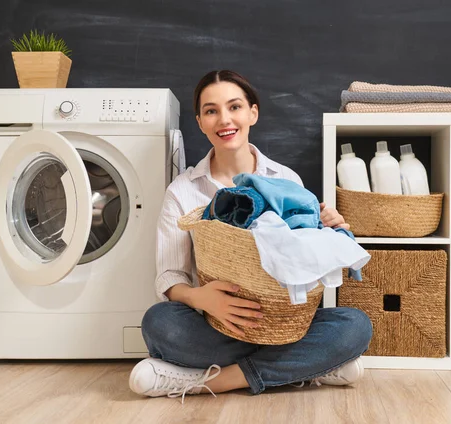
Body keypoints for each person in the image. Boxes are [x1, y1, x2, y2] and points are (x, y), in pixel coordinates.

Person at [128, 70, 373, 400]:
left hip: (284, 325)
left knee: (355, 326)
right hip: (217, 327)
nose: (224, 119)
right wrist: (199, 298)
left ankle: (208, 381)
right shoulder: (183, 191)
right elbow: (169, 276)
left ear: (252, 113)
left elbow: (304, 259)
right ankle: (306, 369)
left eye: (234, 107)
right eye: (211, 110)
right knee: (159, 323)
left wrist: (331, 230)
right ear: (200, 121)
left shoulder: (285, 179)